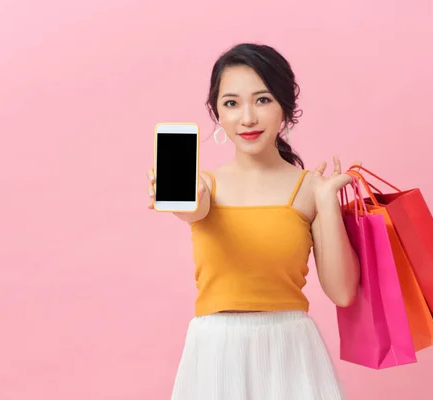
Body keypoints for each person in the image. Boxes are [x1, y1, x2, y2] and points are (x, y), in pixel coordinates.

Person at [147, 43, 361, 400]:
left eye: (262, 100)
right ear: (216, 112)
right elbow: (193, 211)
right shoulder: (204, 187)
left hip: (289, 350)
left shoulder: (311, 188)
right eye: (231, 103)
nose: (247, 118)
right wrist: (184, 200)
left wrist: (326, 203)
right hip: (216, 352)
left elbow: (342, 292)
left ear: (285, 109)